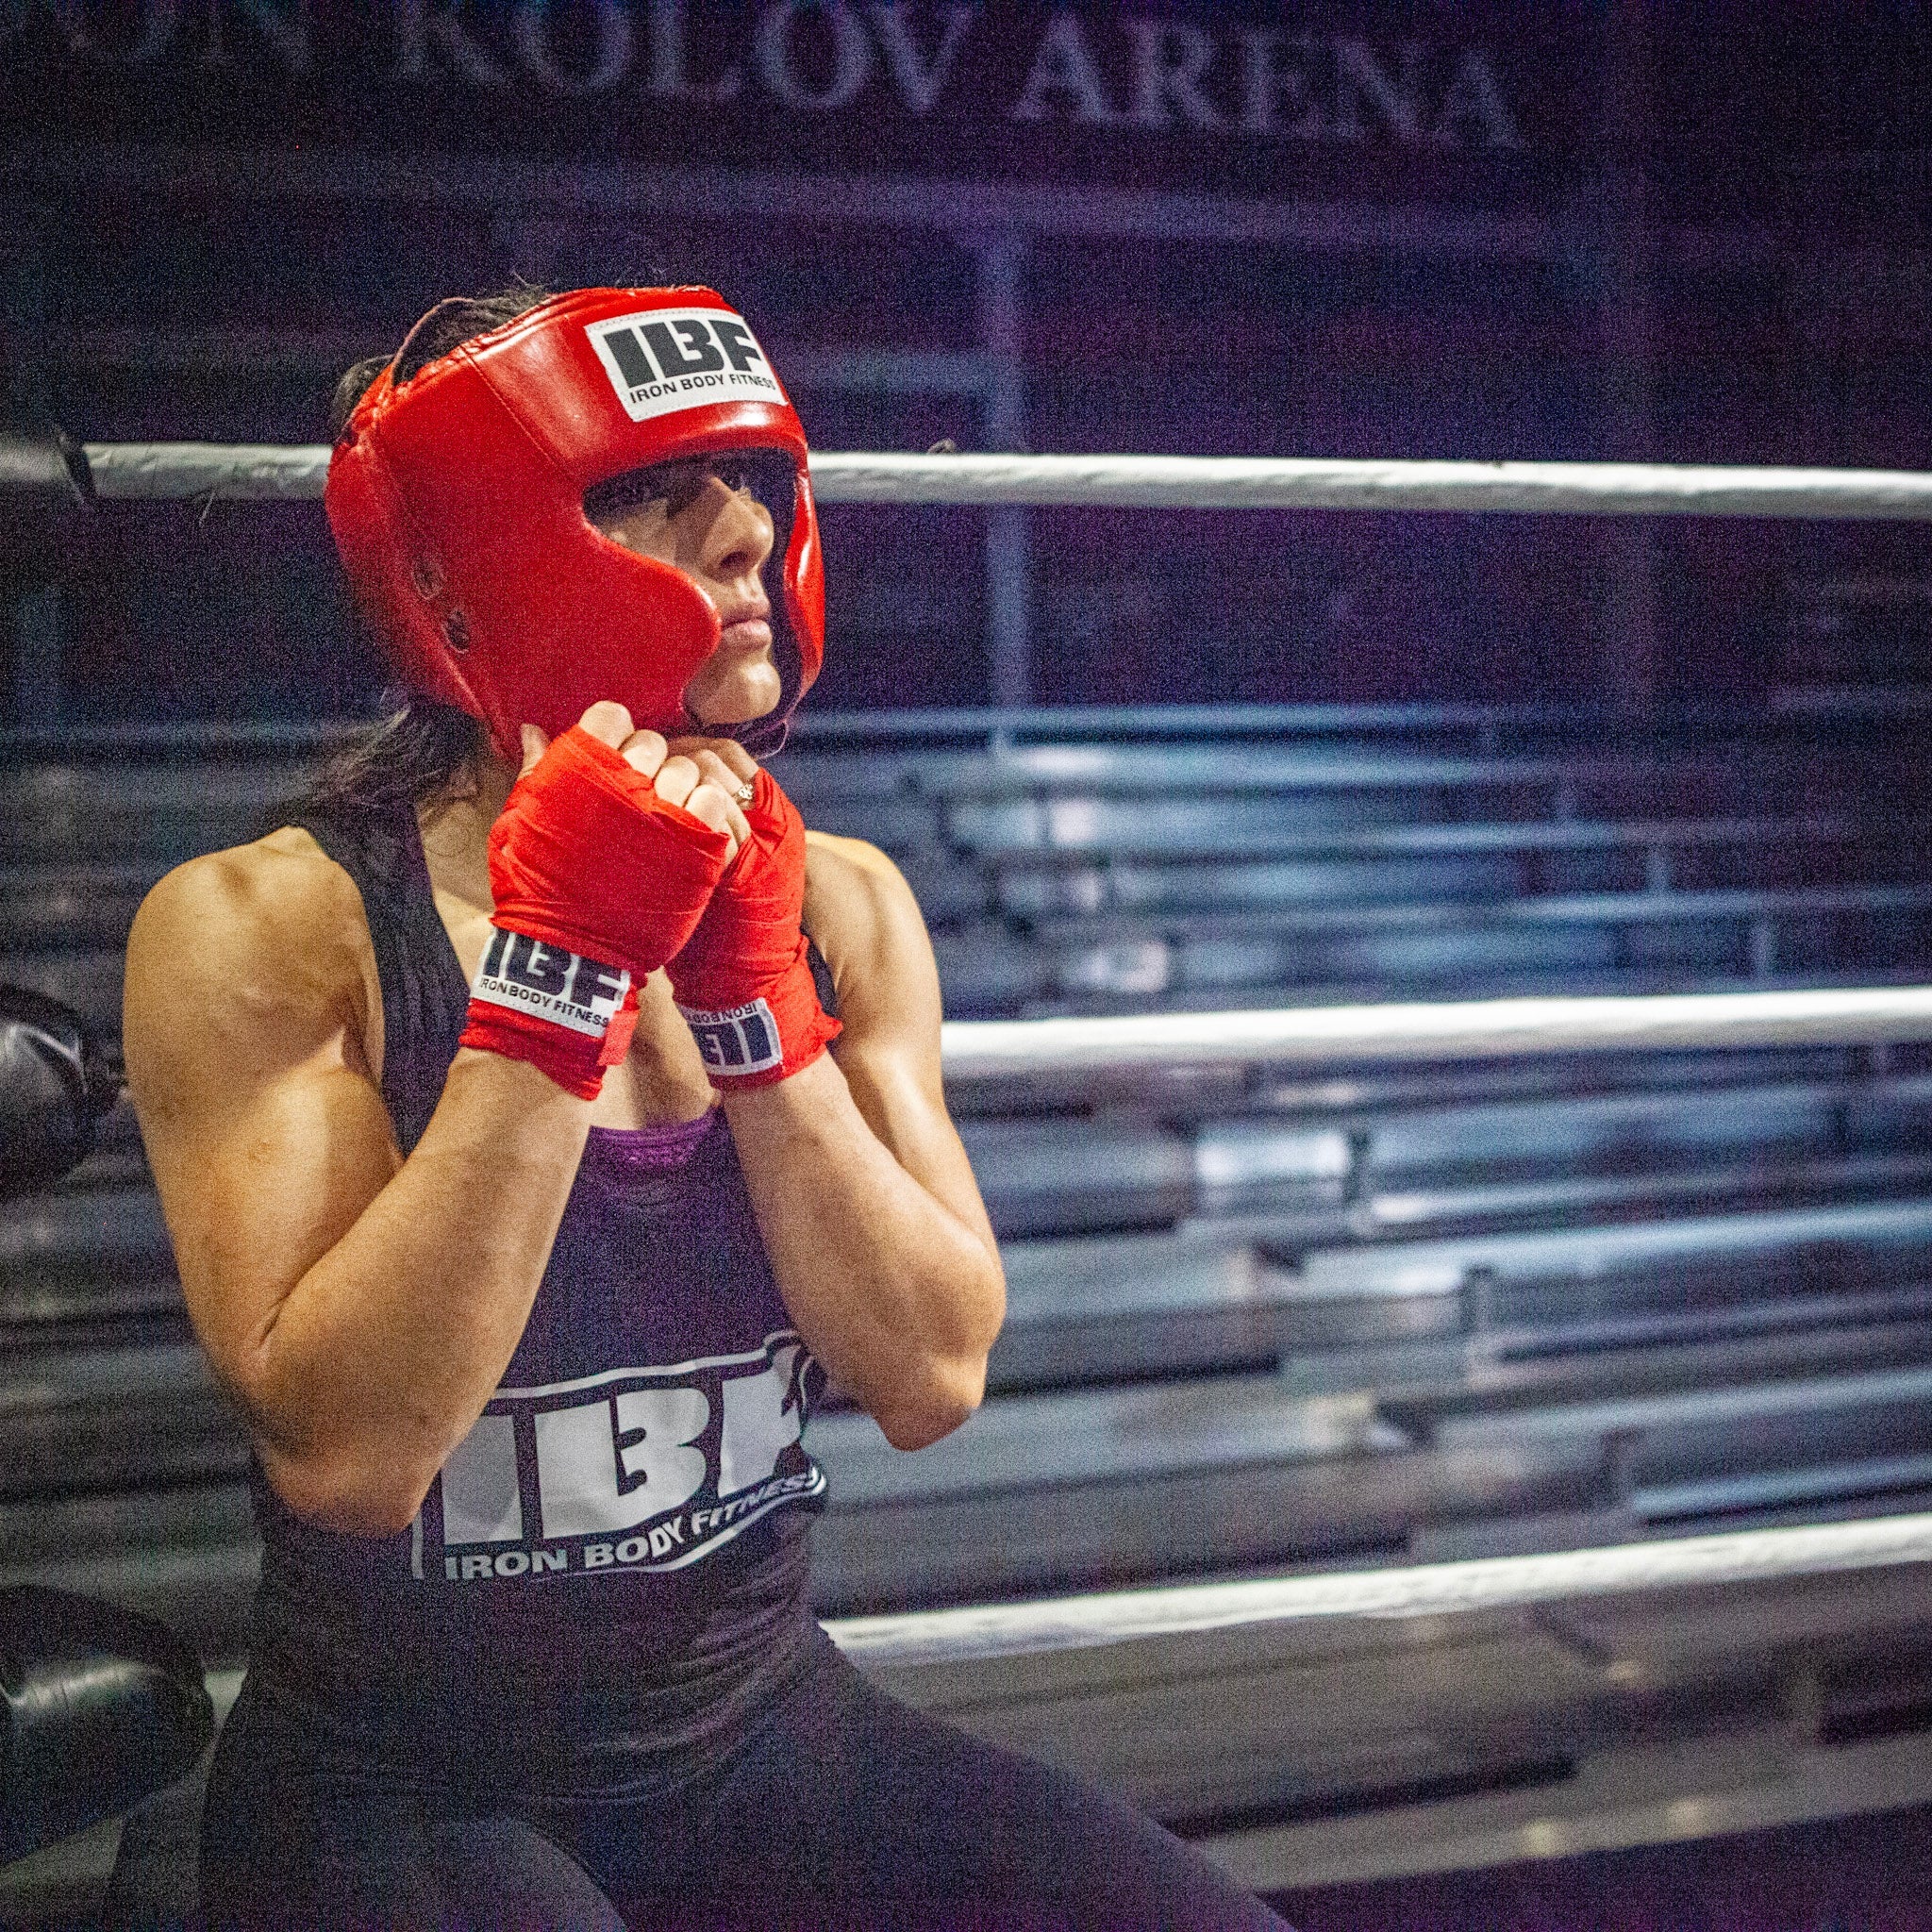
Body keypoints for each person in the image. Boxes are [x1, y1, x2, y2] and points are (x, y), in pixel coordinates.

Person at [124, 285, 1291, 1929]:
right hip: (400, 1785)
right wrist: (558, 983)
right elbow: (352, 1457)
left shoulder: (840, 903)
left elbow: (932, 1373)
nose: (744, 533)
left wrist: (760, 1022)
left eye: (752, 481)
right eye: (650, 493)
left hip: (760, 1733)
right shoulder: (268, 928)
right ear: (461, 567)